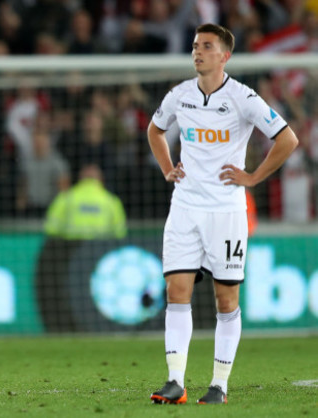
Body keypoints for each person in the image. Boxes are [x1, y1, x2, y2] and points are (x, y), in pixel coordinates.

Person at [147, 24, 298, 405]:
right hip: (184, 207)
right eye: (195, 45)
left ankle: (219, 386)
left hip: (226, 212)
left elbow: (288, 139)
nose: (197, 52)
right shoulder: (180, 95)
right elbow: (155, 129)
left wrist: (252, 177)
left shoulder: (243, 98)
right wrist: (168, 168)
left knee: (225, 299)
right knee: (175, 291)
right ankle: (175, 382)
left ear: (224, 55)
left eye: (206, 46)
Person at [44, 164, 126, 240]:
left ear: (80, 179)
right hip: (101, 250)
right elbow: (120, 233)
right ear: (101, 180)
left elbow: (51, 229)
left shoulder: (65, 198)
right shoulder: (111, 201)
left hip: (71, 250)